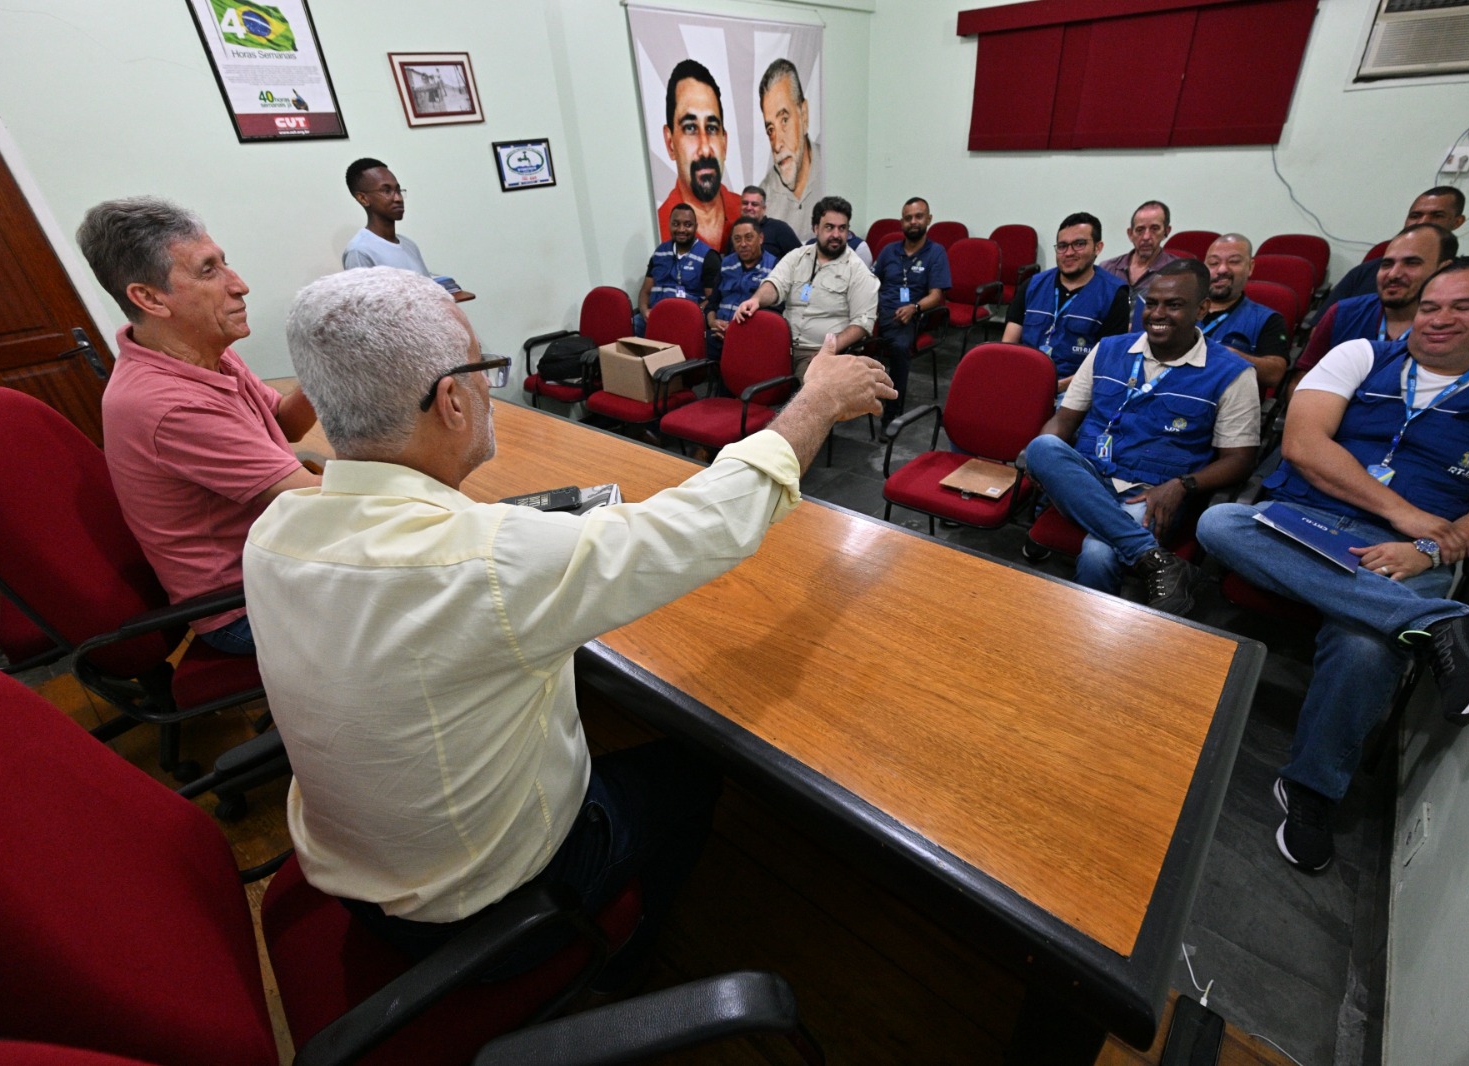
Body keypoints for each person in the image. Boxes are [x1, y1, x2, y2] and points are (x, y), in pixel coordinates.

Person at [246, 265, 895, 985]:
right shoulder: (492, 563)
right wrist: (816, 401)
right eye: (487, 369)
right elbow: (710, 522)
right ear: (450, 401)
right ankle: (621, 957)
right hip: (481, 912)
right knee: (694, 769)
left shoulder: (274, 530)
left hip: (351, 874)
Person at [1197, 256, 1469, 872]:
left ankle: (1312, 790)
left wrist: (1423, 547)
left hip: (1416, 554)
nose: (1440, 319)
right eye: (1430, 306)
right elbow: (1304, 446)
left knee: (1368, 646)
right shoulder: (1362, 356)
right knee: (1221, 522)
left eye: (1463, 306)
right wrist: (1403, 514)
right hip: (1304, 522)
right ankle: (1446, 626)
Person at [76, 196, 318, 656]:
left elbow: (286, 426)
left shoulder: (206, 351)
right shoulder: (166, 404)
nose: (239, 285)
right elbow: (309, 498)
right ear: (148, 298)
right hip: (243, 608)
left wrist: (324, 366)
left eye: (226, 263)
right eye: (209, 271)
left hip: (281, 563)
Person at [1023, 261, 1260, 614]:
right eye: (1151, 303)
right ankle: (1157, 561)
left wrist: (1182, 485)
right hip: (1089, 477)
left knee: (1099, 552)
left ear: (1201, 309)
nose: (1158, 314)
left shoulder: (1232, 373)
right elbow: (1063, 420)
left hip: (1153, 493)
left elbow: (1240, 460)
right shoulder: (1108, 350)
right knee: (1041, 447)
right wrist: (1046, 470)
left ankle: (1093, 636)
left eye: (1174, 305)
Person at [735, 195, 879, 381]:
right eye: (829, 227)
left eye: (842, 228)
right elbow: (775, 284)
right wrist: (756, 299)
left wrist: (829, 349)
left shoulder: (857, 270)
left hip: (823, 352)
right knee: (743, 373)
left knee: (810, 394)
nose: (836, 234)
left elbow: (862, 323)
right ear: (816, 229)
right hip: (782, 345)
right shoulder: (797, 257)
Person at [1293, 223, 1458, 384]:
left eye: (1411, 263)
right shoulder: (1344, 314)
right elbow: (1302, 380)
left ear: (1442, 271)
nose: (1393, 274)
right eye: (1387, 264)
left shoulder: (1454, 329)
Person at [1002, 212, 1131, 389]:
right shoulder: (1032, 285)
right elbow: (1007, 345)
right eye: (1062, 246)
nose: (1069, 253)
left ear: (1097, 247)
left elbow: (1106, 362)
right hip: (1024, 377)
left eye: (1079, 244)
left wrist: (1056, 387)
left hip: (1076, 388)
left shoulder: (1114, 295)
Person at [1319, 186, 1467, 314]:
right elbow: (1321, 329)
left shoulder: (1464, 281)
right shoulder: (1365, 272)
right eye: (1415, 216)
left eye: (1437, 215)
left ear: (1457, 222)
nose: (1423, 222)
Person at [871, 197, 951, 422]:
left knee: (898, 345)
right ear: (901, 222)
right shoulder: (889, 251)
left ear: (929, 219)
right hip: (881, 310)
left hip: (914, 314)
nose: (913, 222)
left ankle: (892, 412)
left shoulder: (936, 252)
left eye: (918, 217)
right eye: (908, 218)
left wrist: (914, 307)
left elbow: (937, 295)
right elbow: (871, 283)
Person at [656, 60, 742, 254]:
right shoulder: (658, 229)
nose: (705, 149)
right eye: (690, 128)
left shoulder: (748, 213)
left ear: (724, 142)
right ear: (670, 143)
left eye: (711, 128)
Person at [1200, 233, 1291, 391]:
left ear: (1250, 267)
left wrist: (1231, 357)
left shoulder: (1267, 319)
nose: (1221, 269)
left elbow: (1275, 374)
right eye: (1213, 263)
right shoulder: (1180, 310)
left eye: (1233, 261)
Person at [757, 59, 821, 241]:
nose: (777, 144)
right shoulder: (764, 198)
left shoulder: (833, 169)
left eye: (784, 120)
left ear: (804, 115)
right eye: (770, 130)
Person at [635, 203, 720, 336]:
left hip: (685, 319)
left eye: (687, 225)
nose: (681, 229)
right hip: (655, 315)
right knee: (632, 325)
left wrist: (694, 313)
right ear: (669, 224)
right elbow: (645, 291)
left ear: (696, 227)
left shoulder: (708, 257)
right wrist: (645, 310)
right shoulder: (660, 252)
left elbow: (713, 300)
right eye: (676, 224)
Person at [705, 216, 778, 360]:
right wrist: (713, 322)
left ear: (761, 238)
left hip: (751, 336)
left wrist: (735, 331)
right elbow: (712, 304)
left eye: (749, 238)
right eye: (737, 239)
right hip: (718, 334)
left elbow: (775, 313)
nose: (743, 244)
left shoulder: (774, 267)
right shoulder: (726, 264)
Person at [342, 158, 431, 274]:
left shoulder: (409, 245)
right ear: (363, 198)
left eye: (398, 191)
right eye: (386, 191)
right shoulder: (359, 251)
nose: (398, 198)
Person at [1099, 200, 1180, 303]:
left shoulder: (1178, 271)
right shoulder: (1107, 269)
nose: (1146, 237)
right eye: (1140, 230)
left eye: (1154, 229)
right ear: (1130, 234)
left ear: (1166, 231)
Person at [740, 184, 800, 260]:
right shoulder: (734, 231)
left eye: (754, 204)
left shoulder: (780, 229)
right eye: (745, 203)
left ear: (763, 208)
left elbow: (801, 259)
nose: (748, 207)